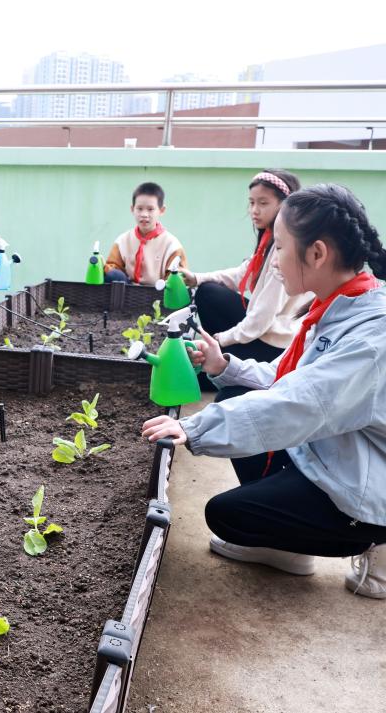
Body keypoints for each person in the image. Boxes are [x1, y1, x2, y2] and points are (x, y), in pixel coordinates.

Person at [142, 184, 386, 599]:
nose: (274, 259)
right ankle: (290, 549)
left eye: (281, 247)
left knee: (228, 515)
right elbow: (287, 375)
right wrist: (226, 366)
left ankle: (376, 540)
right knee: (234, 396)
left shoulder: (370, 336)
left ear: (317, 253)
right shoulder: (341, 303)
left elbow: (301, 404)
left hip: (366, 482)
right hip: (334, 452)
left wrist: (196, 428)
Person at [182, 170, 309, 366]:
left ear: (285, 206)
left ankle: (223, 355)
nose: (254, 210)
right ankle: (222, 353)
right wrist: (196, 278)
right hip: (264, 330)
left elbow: (262, 317)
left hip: (276, 344)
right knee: (208, 292)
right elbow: (242, 274)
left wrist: (221, 339)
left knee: (205, 366)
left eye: (263, 203)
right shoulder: (269, 239)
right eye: (251, 203)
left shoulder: (284, 250)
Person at [104, 182, 188, 285]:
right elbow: (113, 266)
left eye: (150, 209)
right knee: (113, 275)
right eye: (139, 209)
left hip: (158, 291)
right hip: (127, 291)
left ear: (161, 210)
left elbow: (179, 276)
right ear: (132, 209)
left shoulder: (172, 245)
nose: (144, 214)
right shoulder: (122, 241)